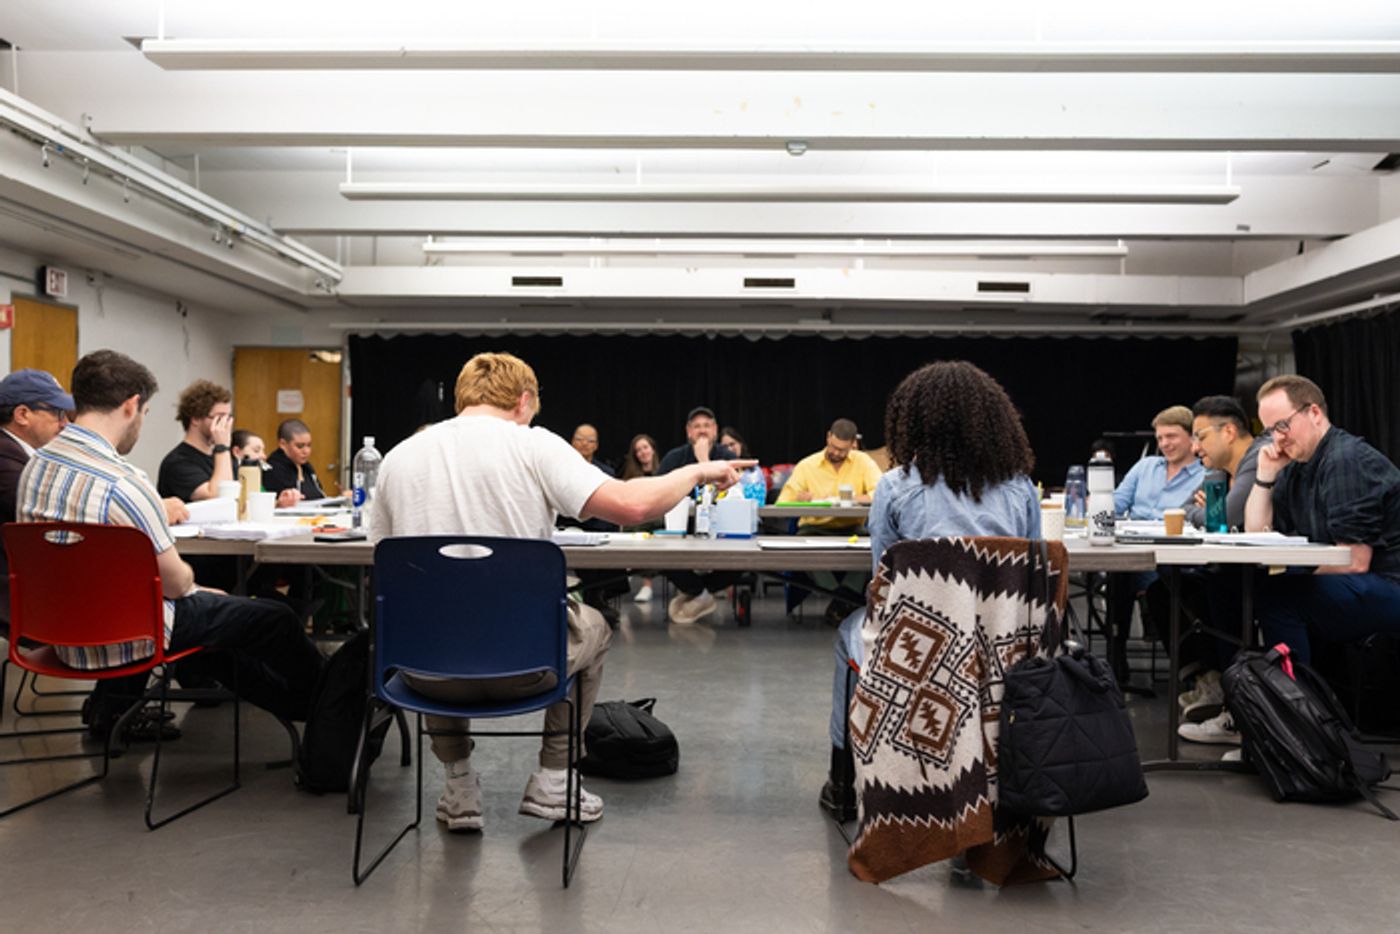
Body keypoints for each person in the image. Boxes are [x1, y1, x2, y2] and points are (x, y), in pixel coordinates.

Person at [372, 351, 746, 832]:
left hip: (422, 669)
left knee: (441, 621)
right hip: (525, 664)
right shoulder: (533, 445)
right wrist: (697, 472)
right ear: (524, 401)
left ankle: (459, 785)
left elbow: (383, 560)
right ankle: (553, 778)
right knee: (593, 626)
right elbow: (630, 506)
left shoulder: (400, 456)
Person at [16, 350, 325, 738]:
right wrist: (198, 590)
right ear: (131, 405)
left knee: (217, 637)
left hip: (60, 632)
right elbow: (177, 584)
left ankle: (113, 711)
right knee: (274, 618)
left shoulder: (36, 467)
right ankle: (329, 708)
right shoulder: (125, 483)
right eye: (145, 413)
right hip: (130, 633)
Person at [821, 361, 1040, 818]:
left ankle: (842, 783)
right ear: (994, 420)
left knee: (848, 634)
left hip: (922, 650)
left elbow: (882, 578)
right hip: (1003, 650)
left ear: (914, 422)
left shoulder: (896, 488)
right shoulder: (1021, 489)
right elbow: (1031, 575)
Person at [1245, 375, 1400, 662]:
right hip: (1363, 582)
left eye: (1282, 425)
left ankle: (1294, 702)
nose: (1278, 438)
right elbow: (1257, 534)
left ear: (1314, 413)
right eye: (1269, 431)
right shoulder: (1297, 465)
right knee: (1244, 584)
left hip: (1388, 582)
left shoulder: (1345, 459)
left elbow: (1355, 561)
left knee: (1281, 597)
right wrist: (1265, 476)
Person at [1104, 405, 1205, 684]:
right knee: (1119, 571)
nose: (1164, 444)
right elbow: (1117, 503)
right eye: (1160, 438)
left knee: (1133, 575)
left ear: (1192, 438)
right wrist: (1097, 504)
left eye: (1171, 436)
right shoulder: (1146, 466)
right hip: (1132, 548)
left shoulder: (1205, 475)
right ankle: (1117, 653)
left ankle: (1128, 646)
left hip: (1176, 556)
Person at [779, 418, 885, 624]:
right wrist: (800, 499)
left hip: (852, 528)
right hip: (814, 528)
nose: (836, 453)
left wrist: (854, 499)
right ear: (828, 437)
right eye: (833, 447)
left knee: (875, 546)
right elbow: (783, 502)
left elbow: (881, 493)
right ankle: (844, 598)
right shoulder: (807, 465)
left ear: (853, 445)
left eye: (842, 450)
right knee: (802, 547)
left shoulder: (863, 462)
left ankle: (841, 599)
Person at [0, 368, 75, 630]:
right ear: (22, 414)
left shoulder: (21, 455)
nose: (65, 423)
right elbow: (54, 510)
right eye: (57, 413)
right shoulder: (3, 459)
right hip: (16, 596)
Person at [656, 406, 741, 624]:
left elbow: (733, 495)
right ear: (688, 431)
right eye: (697, 427)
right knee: (660, 555)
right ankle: (701, 593)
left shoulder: (727, 457)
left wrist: (703, 459)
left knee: (744, 559)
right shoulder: (674, 458)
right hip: (681, 527)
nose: (702, 431)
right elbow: (658, 490)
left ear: (715, 430)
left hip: (721, 528)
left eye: (706, 426)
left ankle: (699, 593)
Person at [156, 380, 236, 502]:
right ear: (196, 419)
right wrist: (222, 447)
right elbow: (218, 497)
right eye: (220, 417)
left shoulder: (223, 458)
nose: (226, 424)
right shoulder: (177, 463)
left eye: (228, 417)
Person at [620, 433, 661, 603]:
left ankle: (647, 585)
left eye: (645, 447)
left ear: (652, 449)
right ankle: (627, 570)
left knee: (648, 529)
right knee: (634, 526)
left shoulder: (664, 472)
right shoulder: (631, 475)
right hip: (635, 517)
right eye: (638, 450)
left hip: (658, 518)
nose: (642, 452)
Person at [264, 418, 326, 505]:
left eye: (309, 445)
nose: (306, 451)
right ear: (283, 444)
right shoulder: (273, 468)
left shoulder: (306, 466)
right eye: (300, 446)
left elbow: (318, 494)